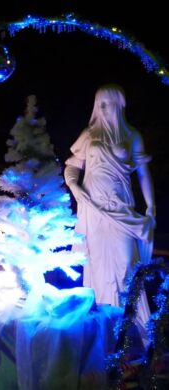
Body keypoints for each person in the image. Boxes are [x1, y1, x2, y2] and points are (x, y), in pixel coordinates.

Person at [64, 84, 155, 343]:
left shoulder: (132, 136)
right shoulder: (89, 135)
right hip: (93, 209)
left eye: (108, 103)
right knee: (98, 266)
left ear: (119, 104)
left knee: (127, 264)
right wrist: (74, 186)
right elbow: (72, 167)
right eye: (99, 104)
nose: (103, 108)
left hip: (122, 210)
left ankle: (135, 332)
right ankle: (106, 332)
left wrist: (151, 208)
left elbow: (143, 174)